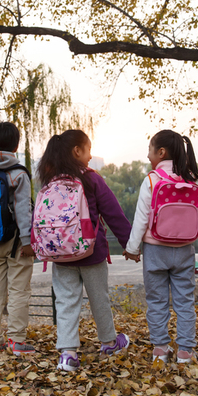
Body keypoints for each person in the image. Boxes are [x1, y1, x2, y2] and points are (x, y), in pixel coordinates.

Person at [36, 129, 132, 372]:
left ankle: (68, 354)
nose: (90, 156)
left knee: (66, 301)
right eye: (88, 150)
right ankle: (109, 342)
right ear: (77, 151)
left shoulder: (49, 180)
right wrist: (130, 245)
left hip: (60, 254)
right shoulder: (91, 178)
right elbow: (114, 214)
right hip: (92, 251)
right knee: (99, 297)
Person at [124, 129, 198, 364]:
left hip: (155, 250)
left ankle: (161, 349)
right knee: (185, 300)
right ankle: (185, 350)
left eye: (150, 151)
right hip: (185, 250)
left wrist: (132, 249)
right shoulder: (192, 181)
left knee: (157, 301)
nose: (148, 156)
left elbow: (142, 218)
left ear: (161, 152)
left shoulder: (152, 180)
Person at [0, 122, 37, 357]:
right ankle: (17, 340)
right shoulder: (19, 173)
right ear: (16, 145)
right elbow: (23, 210)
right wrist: (27, 241)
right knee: (18, 288)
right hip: (16, 239)